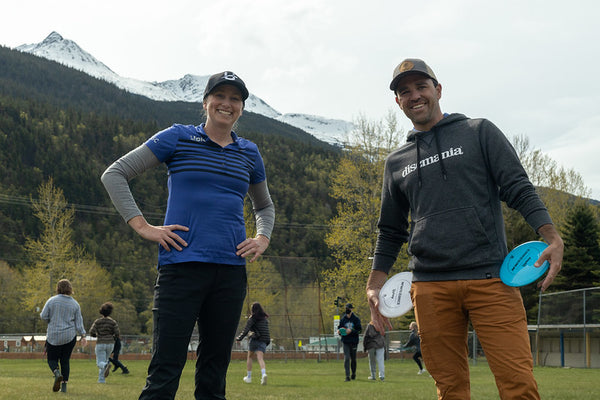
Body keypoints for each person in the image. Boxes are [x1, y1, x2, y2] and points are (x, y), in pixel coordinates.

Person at [366, 58, 564, 399]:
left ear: (438, 90)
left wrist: (551, 235)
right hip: (429, 287)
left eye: (421, 86)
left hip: (491, 279)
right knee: (450, 390)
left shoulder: (478, 132)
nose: (414, 95)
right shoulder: (395, 162)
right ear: (397, 101)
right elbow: (390, 230)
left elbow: (517, 186)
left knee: (519, 386)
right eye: (404, 91)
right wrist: (374, 285)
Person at [101, 71, 274, 400]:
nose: (227, 103)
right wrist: (143, 226)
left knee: (214, 373)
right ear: (206, 101)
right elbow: (115, 174)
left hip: (230, 271)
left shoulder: (249, 153)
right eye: (219, 96)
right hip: (181, 267)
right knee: (165, 370)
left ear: (241, 107)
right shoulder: (178, 137)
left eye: (235, 98)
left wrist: (262, 237)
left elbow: (264, 207)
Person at [40, 279, 87, 393]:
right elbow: (78, 322)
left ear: (58, 288)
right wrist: (83, 335)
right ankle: (64, 387)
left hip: (53, 335)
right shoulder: (75, 304)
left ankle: (57, 373)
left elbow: (43, 316)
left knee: (52, 359)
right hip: (69, 336)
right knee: (65, 360)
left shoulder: (51, 301)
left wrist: (50, 320)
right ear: (70, 289)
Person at [236, 302, 271, 385]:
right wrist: (267, 342)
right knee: (260, 358)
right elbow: (266, 332)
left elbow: (246, 330)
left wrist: (239, 338)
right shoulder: (265, 319)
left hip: (255, 339)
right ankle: (263, 374)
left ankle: (249, 377)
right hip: (263, 340)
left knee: (250, 357)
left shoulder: (252, 318)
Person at [89, 302, 120, 383]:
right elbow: (117, 333)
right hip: (110, 343)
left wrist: (96, 336)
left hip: (101, 343)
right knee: (105, 360)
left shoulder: (97, 321)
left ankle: (105, 366)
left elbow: (91, 332)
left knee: (100, 362)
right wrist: (113, 338)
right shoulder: (113, 322)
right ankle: (101, 380)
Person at [337, 303, 362, 381]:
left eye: (349, 308)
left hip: (354, 341)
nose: (347, 310)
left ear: (352, 309)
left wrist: (351, 331)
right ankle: (347, 376)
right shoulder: (343, 319)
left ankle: (353, 373)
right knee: (346, 358)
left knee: (353, 359)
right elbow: (339, 328)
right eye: (346, 308)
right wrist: (339, 331)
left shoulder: (356, 319)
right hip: (345, 341)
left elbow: (359, 330)